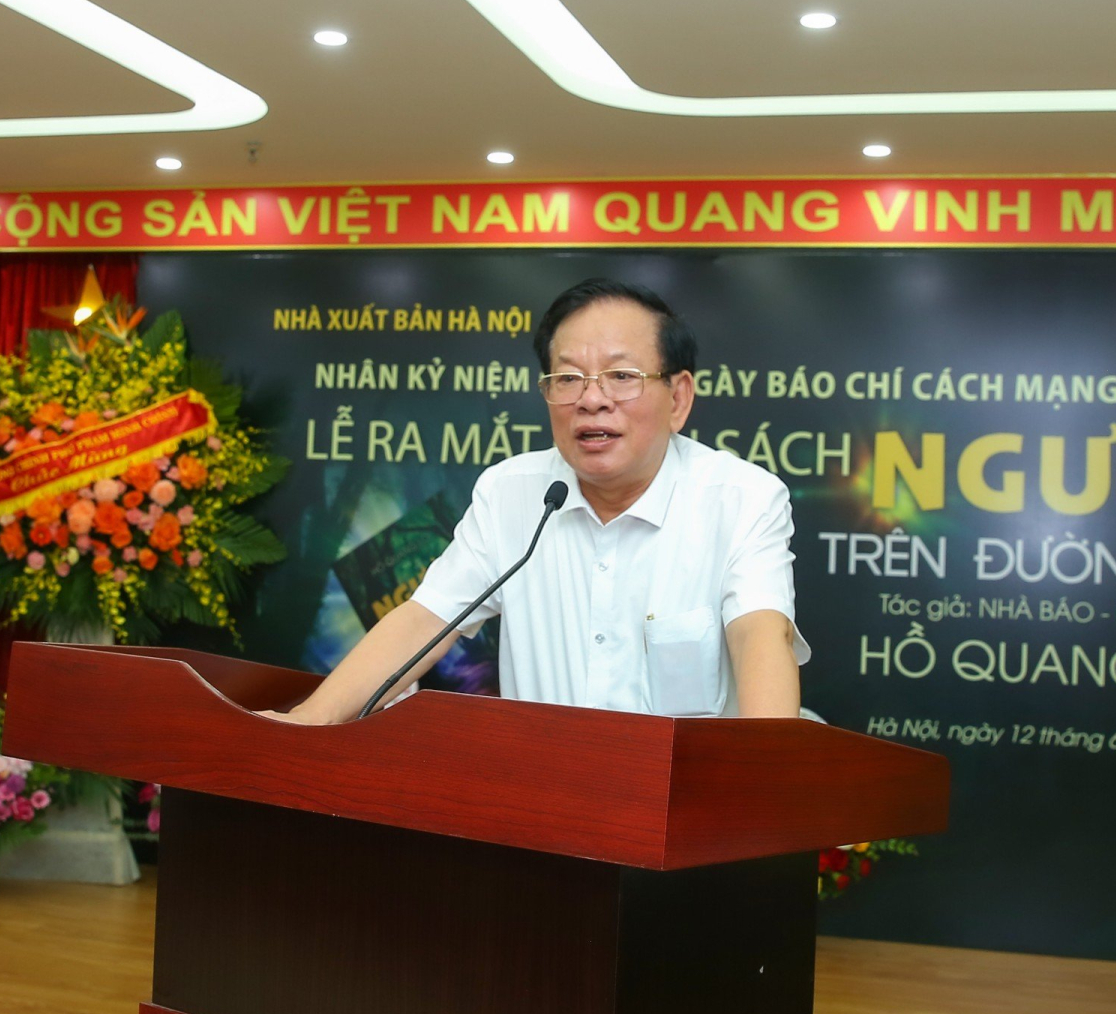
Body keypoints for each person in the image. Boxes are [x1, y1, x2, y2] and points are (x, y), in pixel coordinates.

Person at [270, 278, 809, 724]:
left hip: (685, 815)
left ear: (679, 398)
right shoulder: (513, 492)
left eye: (622, 377)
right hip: (541, 810)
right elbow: (423, 621)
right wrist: (306, 723)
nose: (592, 400)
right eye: (568, 378)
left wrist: (762, 778)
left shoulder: (741, 499)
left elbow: (761, 637)